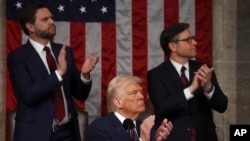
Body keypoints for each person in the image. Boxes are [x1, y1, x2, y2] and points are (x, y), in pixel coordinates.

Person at [7, 3, 99, 141]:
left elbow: (80, 95)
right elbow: (28, 95)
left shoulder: (64, 51)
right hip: (35, 134)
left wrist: (85, 75)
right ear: (30, 27)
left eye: (51, 18)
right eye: (45, 19)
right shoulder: (18, 57)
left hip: (68, 134)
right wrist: (58, 73)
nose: (52, 21)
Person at [147, 23, 228, 141]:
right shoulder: (157, 74)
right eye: (188, 40)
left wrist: (208, 87)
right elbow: (162, 107)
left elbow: (222, 106)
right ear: (173, 46)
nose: (195, 43)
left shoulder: (204, 69)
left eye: (193, 39)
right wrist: (192, 88)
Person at [86, 75, 173, 141]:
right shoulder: (99, 128)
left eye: (140, 91)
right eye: (134, 93)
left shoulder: (148, 129)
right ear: (118, 102)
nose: (141, 96)